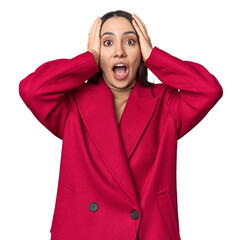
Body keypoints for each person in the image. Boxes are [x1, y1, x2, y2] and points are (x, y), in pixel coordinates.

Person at [19, 10, 223, 240]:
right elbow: (31, 90)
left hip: (147, 230)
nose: (119, 52)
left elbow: (209, 90)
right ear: (98, 53)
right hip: (81, 230)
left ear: (141, 51)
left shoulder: (165, 104)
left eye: (130, 41)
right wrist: (87, 59)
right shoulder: (72, 104)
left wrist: (155, 57)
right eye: (107, 43)